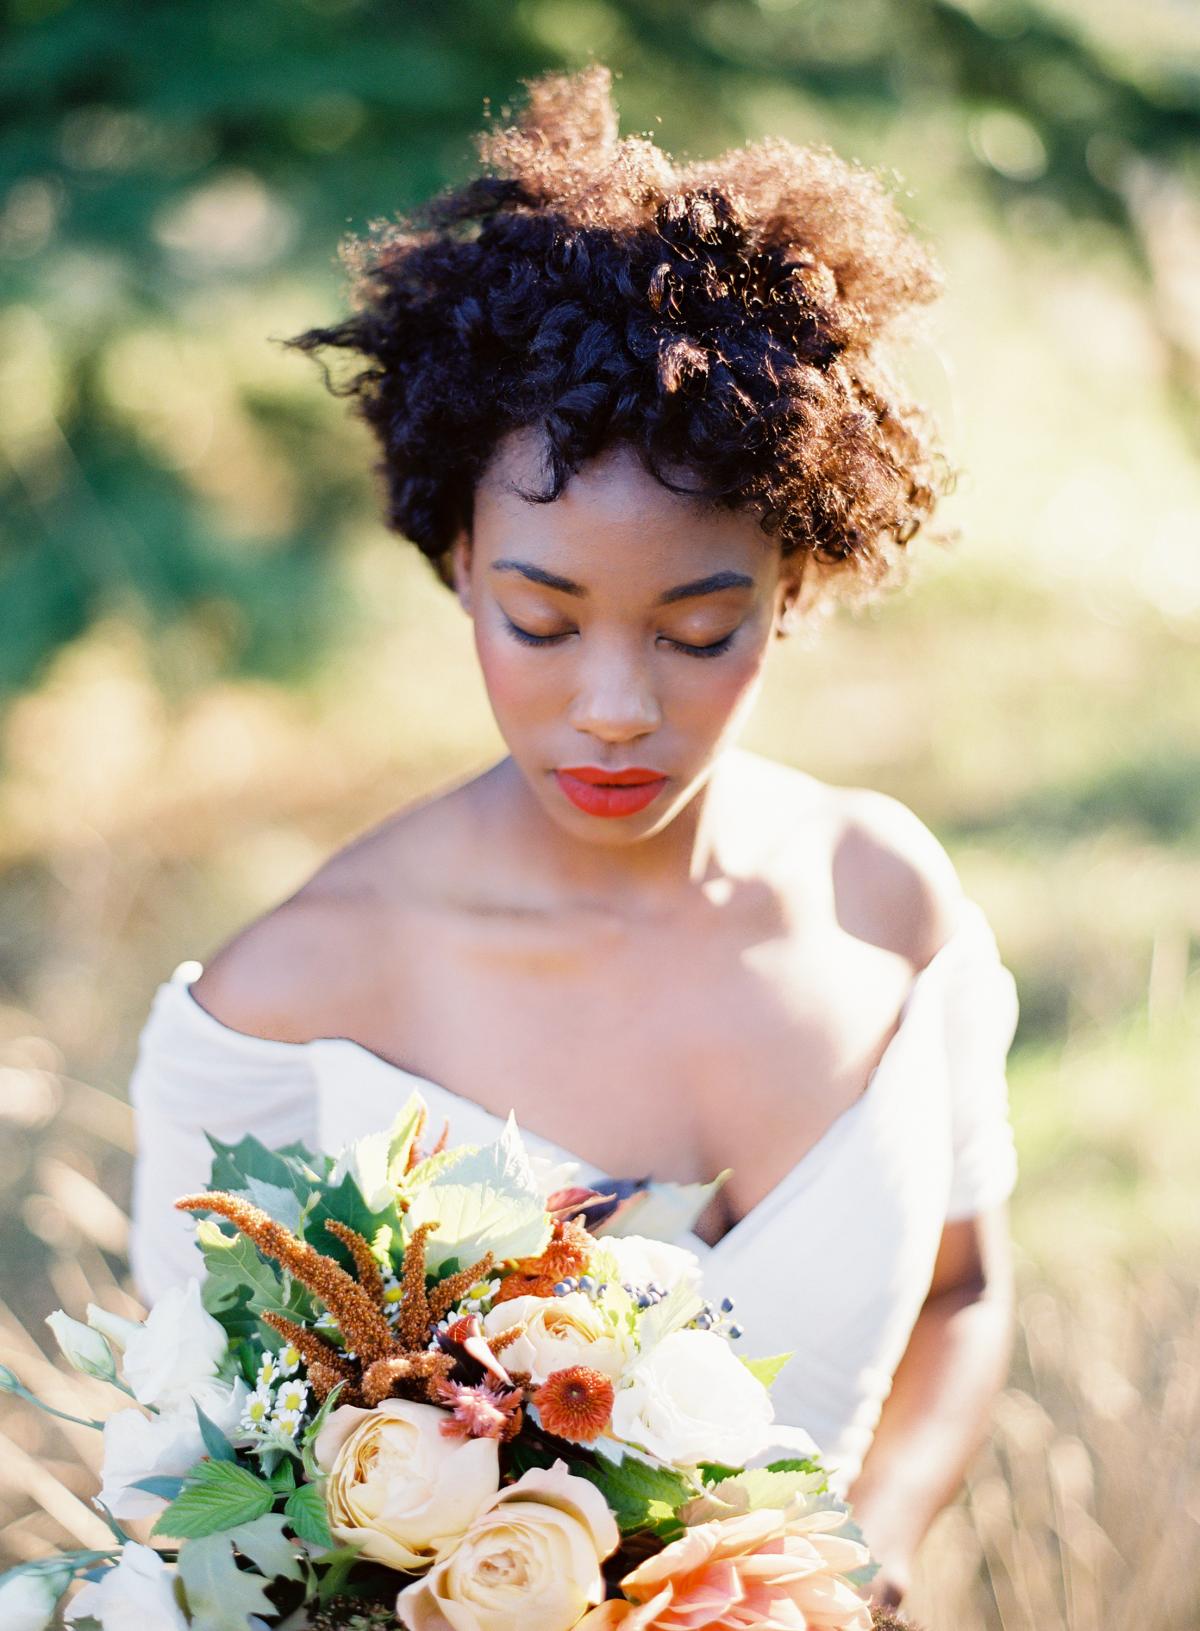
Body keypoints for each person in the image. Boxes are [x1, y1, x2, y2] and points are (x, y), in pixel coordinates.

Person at [125, 66, 1021, 1610]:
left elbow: (962, 1293)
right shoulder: (290, 1009)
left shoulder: (890, 908)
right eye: (542, 620)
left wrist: (864, 1566)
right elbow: (183, 1508)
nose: (613, 707)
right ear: (459, 557)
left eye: (698, 629)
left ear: (794, 587)